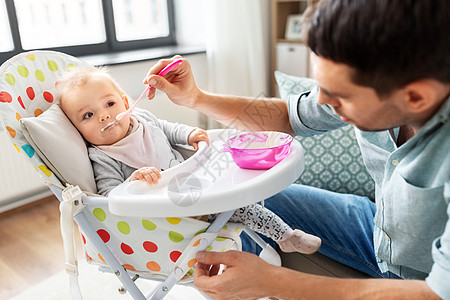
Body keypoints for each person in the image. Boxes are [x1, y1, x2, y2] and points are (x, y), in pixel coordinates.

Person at [142, 0, 450, 298]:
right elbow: (291, 115)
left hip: (423, 279)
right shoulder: (383, 85)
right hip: (377, 230)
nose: (323, 102)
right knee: (243, 201)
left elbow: (437, 293)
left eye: (340, 96)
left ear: (416, 98)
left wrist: (273, 282)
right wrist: (195, 98)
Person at [55, 66, 322, 255]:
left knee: (235, 187)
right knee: (238, 206)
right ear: (77, 130)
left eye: (109, 104)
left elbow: (169, 129)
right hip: (172, 208)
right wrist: (134, 181)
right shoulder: (102, 157)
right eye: (87, 115)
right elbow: (110, 197)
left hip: (192, 180)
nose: (103, 115)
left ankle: (281, 237)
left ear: (126, 103)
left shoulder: (144, 120)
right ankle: (286, 235)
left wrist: (190, 133)